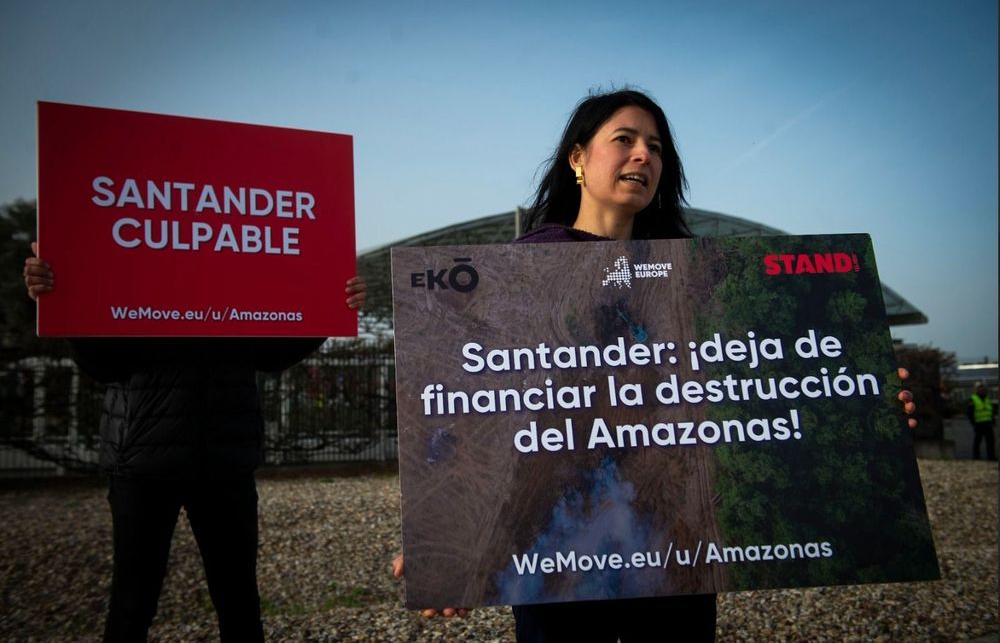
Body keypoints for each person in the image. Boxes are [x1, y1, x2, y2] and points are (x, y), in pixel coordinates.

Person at [393, 88, 918, 642]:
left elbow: (768, 380)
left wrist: (866, 404)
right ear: (578, 158)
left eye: (656, 148)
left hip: (678, 555)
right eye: (624, 139)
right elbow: (464, 407)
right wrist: (442, 544)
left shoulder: (696, 273)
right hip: (558, 561)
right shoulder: (518, 271)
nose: (644, 155)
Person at [23, 242, 366, 642]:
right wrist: (61, 299)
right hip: (145, 463)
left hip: (220, 459)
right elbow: (105, 365)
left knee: (238, 602)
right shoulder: (132, 279)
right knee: (134, 603)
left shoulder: (237, 282)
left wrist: (331, 310)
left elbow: (271, 355)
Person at [967, 382, 996, 460]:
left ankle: (991, 457)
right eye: (979, 389)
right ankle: (976, 456)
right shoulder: (973, 399)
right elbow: (970, 413)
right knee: (977, 441)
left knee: (990, 441)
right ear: (976, 390)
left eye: (982, 389)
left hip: (988, 423)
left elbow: (991, 411)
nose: (981, 390)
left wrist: (993, 420)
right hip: (979, 423)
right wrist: (973, 423)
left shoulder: (987, 399)